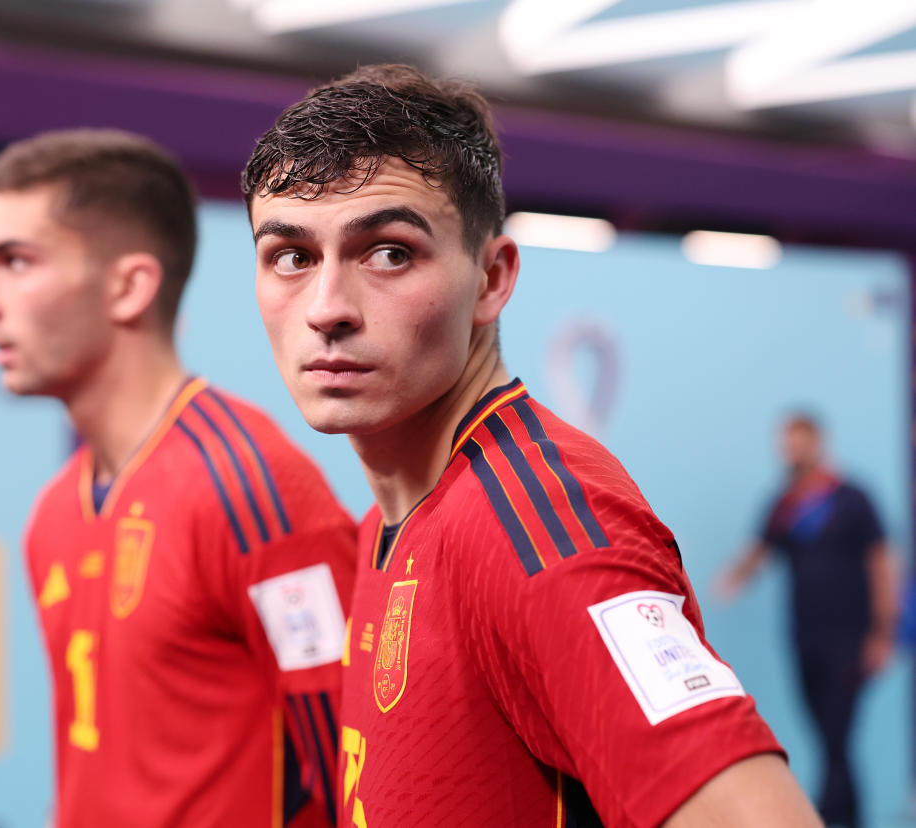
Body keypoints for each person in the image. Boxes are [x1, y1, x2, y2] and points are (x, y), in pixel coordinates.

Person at [242, 64, 821, 827]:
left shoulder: (534, 527)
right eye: (292, 256)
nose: (327, 310)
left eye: (387, 252)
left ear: (491, 278)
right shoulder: (396, 520)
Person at [0, 128, 357, 827]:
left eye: (15, 262)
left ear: (129, 286)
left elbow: (354, 769)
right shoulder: (55, 512)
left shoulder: (251, 491)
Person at [719, 413, 898, 827]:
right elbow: (761, 549)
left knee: (837, 735)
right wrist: (732, 579)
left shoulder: (853, 499)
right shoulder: (785, 504)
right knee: (827, 738)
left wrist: (883, 630)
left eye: (798, 442)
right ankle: (848, 817)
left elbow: (881, 562)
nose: (791, 451)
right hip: (804, 639)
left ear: (817, 443)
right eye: (785, 443)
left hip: (849, 640)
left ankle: (823, 817)